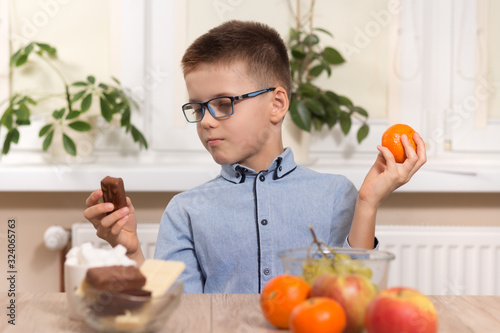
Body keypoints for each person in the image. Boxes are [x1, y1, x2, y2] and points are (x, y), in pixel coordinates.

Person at [84, 20, 426, 293]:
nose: (205, 120)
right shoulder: (185, 211)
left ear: (276, 104)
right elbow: (179, 317)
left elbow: (354, 296)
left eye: (222, 103)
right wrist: (130, 251)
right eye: (197, 107)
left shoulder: (337, 195)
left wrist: (367, 203)